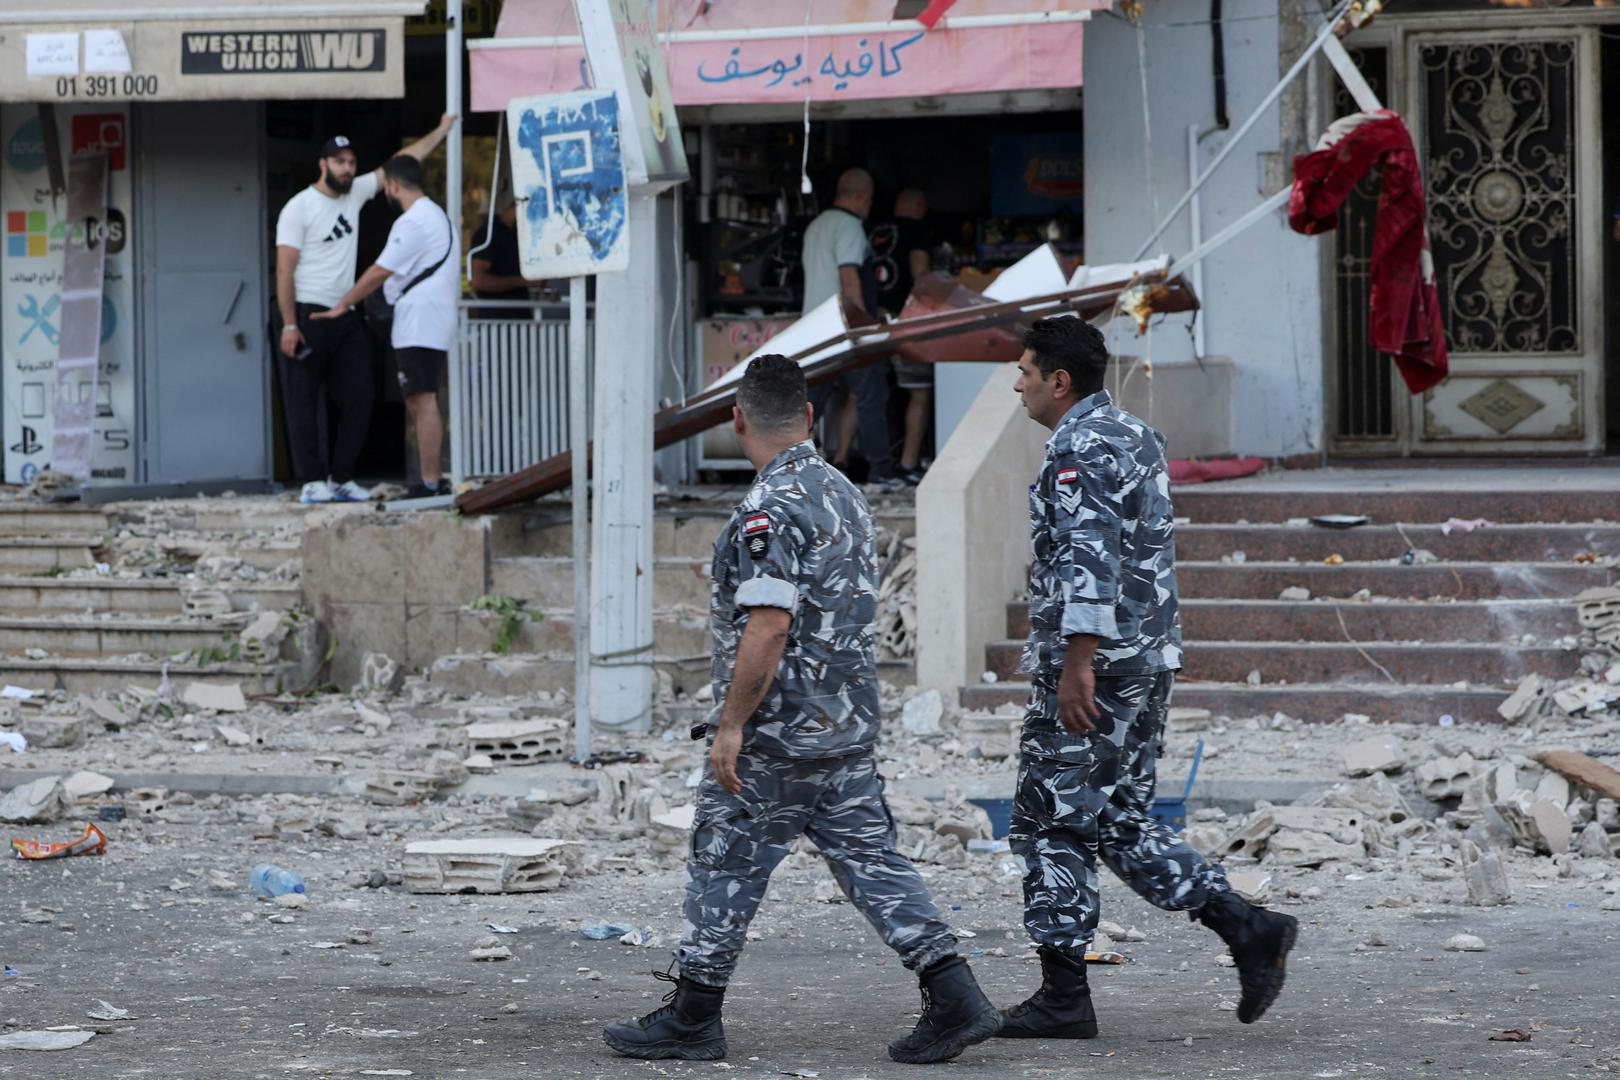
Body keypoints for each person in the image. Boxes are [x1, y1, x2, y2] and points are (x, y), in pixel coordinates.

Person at [601, 354, 1000, 1066]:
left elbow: (768, 626)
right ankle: (955, 994)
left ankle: (694, 1015)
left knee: (723, 864)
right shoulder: (844, 492)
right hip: (844, 727)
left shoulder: (766, 507)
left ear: (737, 420)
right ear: (811, 418)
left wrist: (730, 725)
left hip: (776, 737)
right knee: (875, 865)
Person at [1000, 315, 1298, 1040]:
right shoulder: (1134, 434)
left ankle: (1063, 996)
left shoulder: (1077, 448)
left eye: (1026, 371)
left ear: (1058, 382)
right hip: (1148, 656)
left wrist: (1075, 665)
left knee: (1050, 819)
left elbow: (1088, 559)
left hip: (1098, 665)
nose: (1017, 383)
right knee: (1117, 821)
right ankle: (1246, 927)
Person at [273, 114, 456, 503]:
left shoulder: (355, 193)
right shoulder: (299, 207)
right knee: (304, 399)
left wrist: (439, 131)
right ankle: (311, 480)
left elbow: (401, 164)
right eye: (339, 161)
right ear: (323, 164)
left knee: (360, 395)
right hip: (308, 312)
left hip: (346, 314)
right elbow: (284, 269)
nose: (347, 168)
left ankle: (341, 476)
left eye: (351, 162)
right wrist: (289, 324)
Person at [313, 154, 459, 500]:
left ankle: (429, 482)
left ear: (393, 185)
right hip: (430, 320)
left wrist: (343, 303)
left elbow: (381, 270)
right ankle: (430, 479)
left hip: (420, 323)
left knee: (421, 400)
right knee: (420, 399)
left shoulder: (414, 221)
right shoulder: (437, 216)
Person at [800, 168, 894, 484]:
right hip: (845, 329)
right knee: (871, 397)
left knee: (810, 406)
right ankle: (880, 472)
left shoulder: (816, 227)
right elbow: (848, 276)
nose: (869, 205)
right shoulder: (850, 226)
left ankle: (789, 468)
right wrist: (863, 326)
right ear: (860, 196)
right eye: (868, 199)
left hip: (814, 330)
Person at [869, 189, 934, 485]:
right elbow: (920, 274)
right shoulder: (917, 231)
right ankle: (908, 463)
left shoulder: (874, 230)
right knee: (918, 393)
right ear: (919, 207)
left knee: (867, 394)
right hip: (904, 320)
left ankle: (855, 461)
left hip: (873, 320)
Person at [470, 197, 548, 319]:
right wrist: (522, 281)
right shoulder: (488, 233)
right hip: (495, 321)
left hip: (522, 317)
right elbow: (478, 281)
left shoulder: (521, 233)